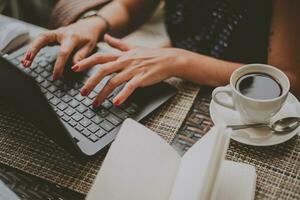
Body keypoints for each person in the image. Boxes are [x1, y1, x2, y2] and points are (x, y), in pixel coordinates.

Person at [21, 0, 300, 108]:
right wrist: (93, 22)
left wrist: (179, 60)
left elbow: (289, 78)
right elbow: (130, 8)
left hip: (244, 98)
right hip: (174, 75)